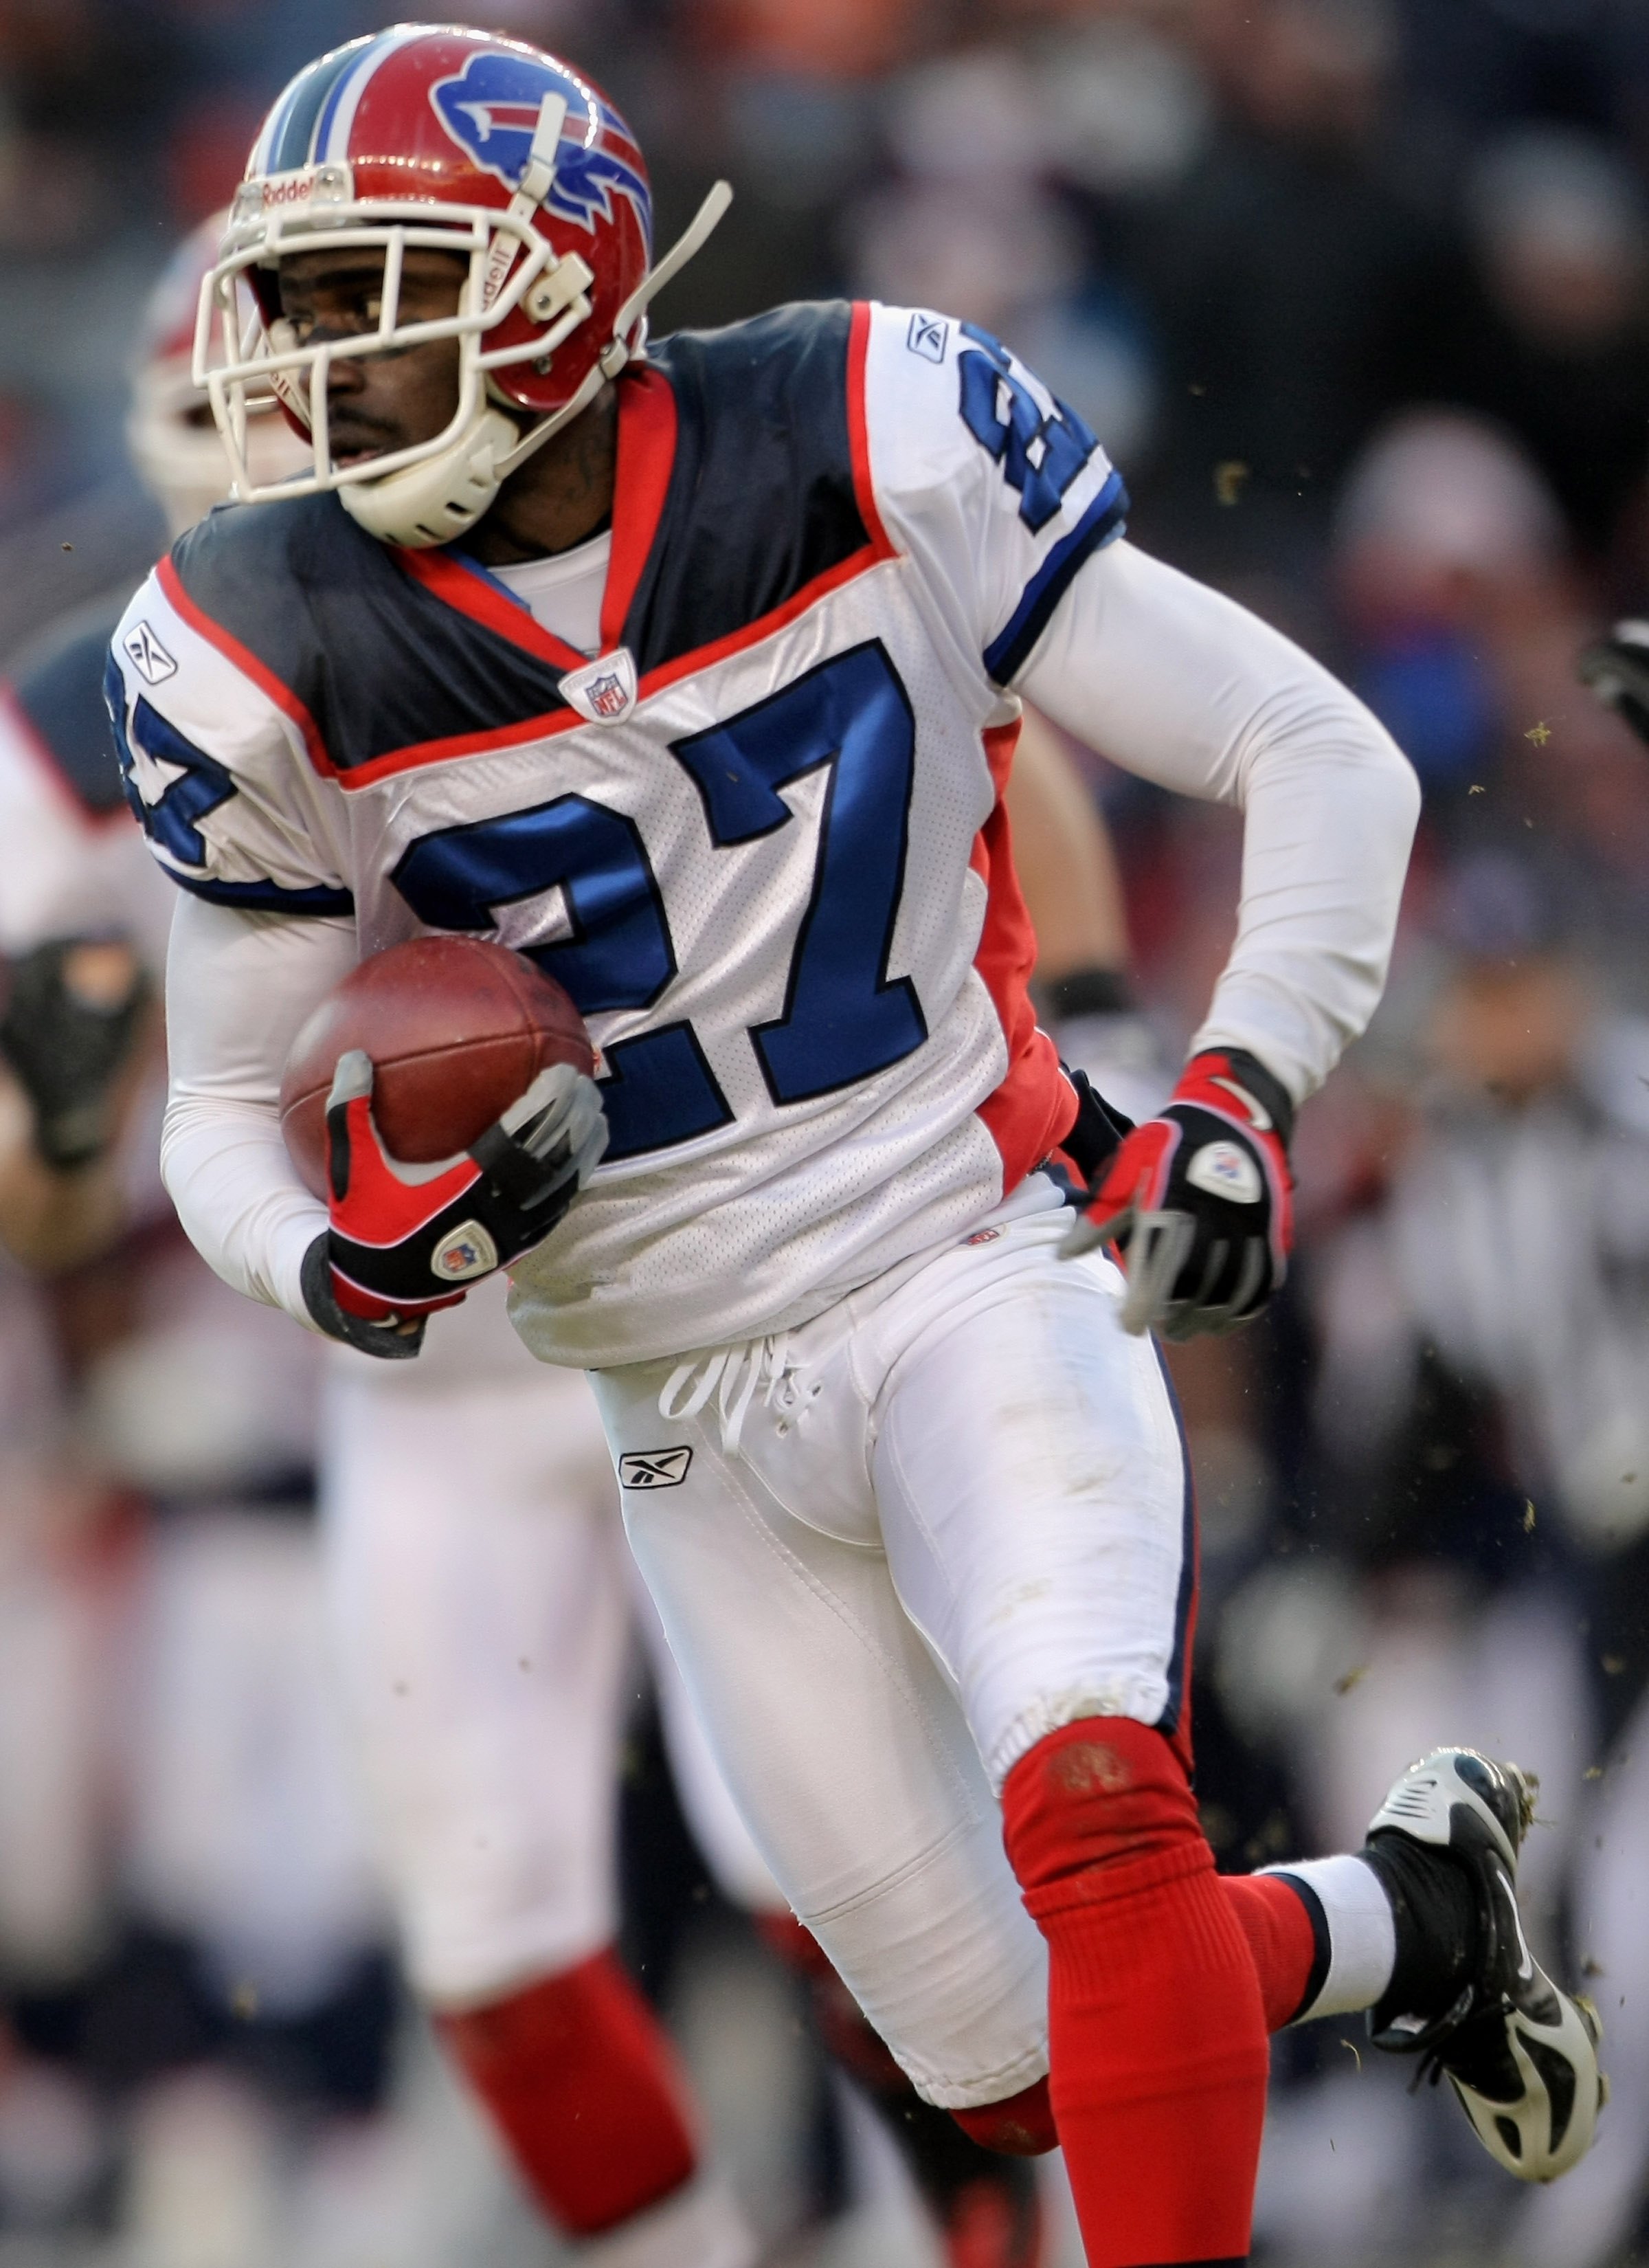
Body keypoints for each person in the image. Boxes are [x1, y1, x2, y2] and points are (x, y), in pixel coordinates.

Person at [113, 28, 1603, 2265]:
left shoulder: (860, 421)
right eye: (298, 307)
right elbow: (222, 1112)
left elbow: (1318, 748)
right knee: (993, 2065)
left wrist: (1232, 1083)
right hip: (678, 1395)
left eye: (370, 293)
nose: (317, 364)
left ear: (553, 280)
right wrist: (335, 1264)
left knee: (1104, 1821)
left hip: (962, 1252)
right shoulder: (259, 637)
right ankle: (1398, 1917)